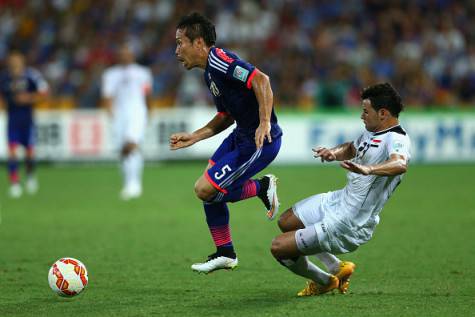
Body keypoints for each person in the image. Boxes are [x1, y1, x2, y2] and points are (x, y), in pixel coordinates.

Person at [270, 83, 410, 296]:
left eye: (365, 111)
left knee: (279, 248)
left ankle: (324, 281)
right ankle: (337, 267)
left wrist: (369, 168)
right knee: (287, 221)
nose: (362, 116)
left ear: (383, 113)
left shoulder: (396, 138)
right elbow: (352, 148)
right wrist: (333, 153)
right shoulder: (372, 133)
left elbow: (400, 164)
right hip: (339, 200)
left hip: (349, 221)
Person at [170, 12, 282, 273]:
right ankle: (225, 252)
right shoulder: (210, 74)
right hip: (240, 135)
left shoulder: (220, 60)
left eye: (180, 42)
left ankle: (261, 187)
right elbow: (226, 116)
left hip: (260, 141)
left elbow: (261, 80)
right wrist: (195, 136)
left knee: (205, 189)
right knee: (207, 191)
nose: (177, 50)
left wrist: (265, 121)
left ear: (199, 43)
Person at [101, 43, 153, 200]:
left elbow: (147, 95)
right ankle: (128, 183)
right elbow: (107, 97)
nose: (125, 56)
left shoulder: (143, 73)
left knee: (132, 144)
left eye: (127, 53)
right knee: (122, 150)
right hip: (119, 114)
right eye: (122, 53)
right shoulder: (110, 74)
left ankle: (134, 184)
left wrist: (149, 112)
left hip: (137, 112)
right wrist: (111, 114)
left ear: (132, 55)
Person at [0, 51, 49, 198]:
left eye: (17, 60)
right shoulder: (4, 78)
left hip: (27, 120)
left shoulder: (32, 75)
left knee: (29, 152)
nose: (14, 63)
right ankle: (14, 184)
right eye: (12, 60)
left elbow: (44, 93)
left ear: (22, 61)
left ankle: (30, 176)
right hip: (13, 120)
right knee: (12, 152)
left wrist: (28, 98)